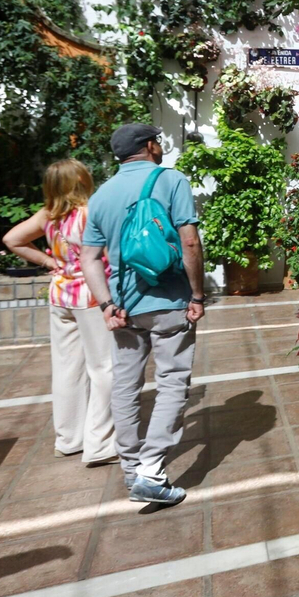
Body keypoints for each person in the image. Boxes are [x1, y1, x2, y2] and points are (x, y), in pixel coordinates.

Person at [79, 124, 206, 507]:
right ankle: (151, 472)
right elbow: (189, 241)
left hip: (123, 308)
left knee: (125, 385)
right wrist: (197, 294)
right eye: (158, 142)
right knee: (171, 382)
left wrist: (106, 304)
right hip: (169, 301)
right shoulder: (170, 180)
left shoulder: (101, 195)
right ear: (150, 146)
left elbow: (89, 258)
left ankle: (132, 471)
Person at [3, 160, 119, 465]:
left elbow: (12, 240)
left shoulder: (48, 215)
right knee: (104, 368)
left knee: (67, 368)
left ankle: (69, 440)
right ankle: (100, 445)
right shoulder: (90, 213)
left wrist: (49, 262)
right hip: (93, 297)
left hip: (61, 295)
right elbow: (109, 256)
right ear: (81, 180)